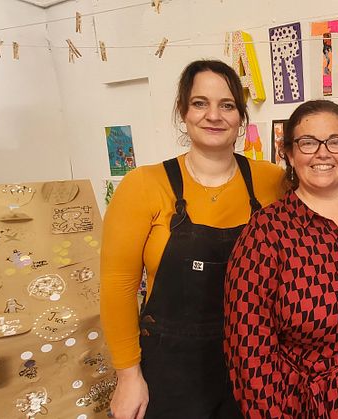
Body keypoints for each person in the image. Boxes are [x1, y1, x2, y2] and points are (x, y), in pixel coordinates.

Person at [100, 59, 284, 419]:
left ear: (240, 116)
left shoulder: (272, 181)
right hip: (170, 370)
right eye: (200, 103)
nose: (213, 115)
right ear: (183, 112)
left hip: (253, 366)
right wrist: (128, 376)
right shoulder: (143, 185)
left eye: (227, 105)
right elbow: (117, 288)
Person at [224, 100, 338, 418]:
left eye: (335, 141)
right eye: (308, 142)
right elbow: (248, 350)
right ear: (288, 153)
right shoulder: (265, 232)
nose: (323, 153)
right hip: (308, 406)